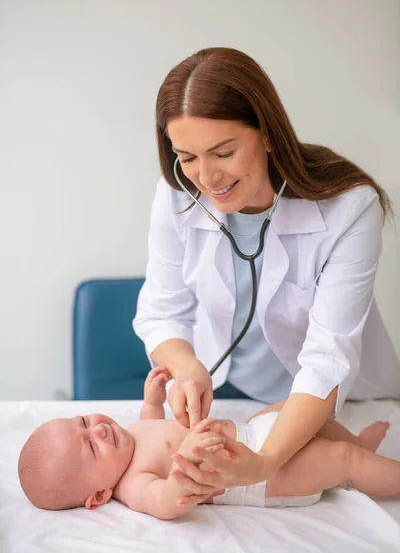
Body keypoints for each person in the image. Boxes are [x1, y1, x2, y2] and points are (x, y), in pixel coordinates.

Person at [133, 46, 400, 494]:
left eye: (224, 152)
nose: (207, 177)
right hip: (231, 392)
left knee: (343, 459)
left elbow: (327, 358)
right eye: (187, 156)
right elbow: (163, 312)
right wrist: (187, 368)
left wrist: (266, 462)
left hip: (327, 399)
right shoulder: (177, 194)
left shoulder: (350, 208)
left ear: (269, 134)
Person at [18, 368, 399, 520]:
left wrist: (152, 401)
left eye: (84, 422)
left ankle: (359, 442)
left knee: (310, 413)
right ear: (99, 495)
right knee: (340, 458)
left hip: (253, 432)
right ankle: (369, 464)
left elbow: (154, 426)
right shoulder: (131, 484)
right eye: (90, 447)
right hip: (262, 479)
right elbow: (164, 503)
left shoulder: (129, 438)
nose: (98, 431)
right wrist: (182, 478)